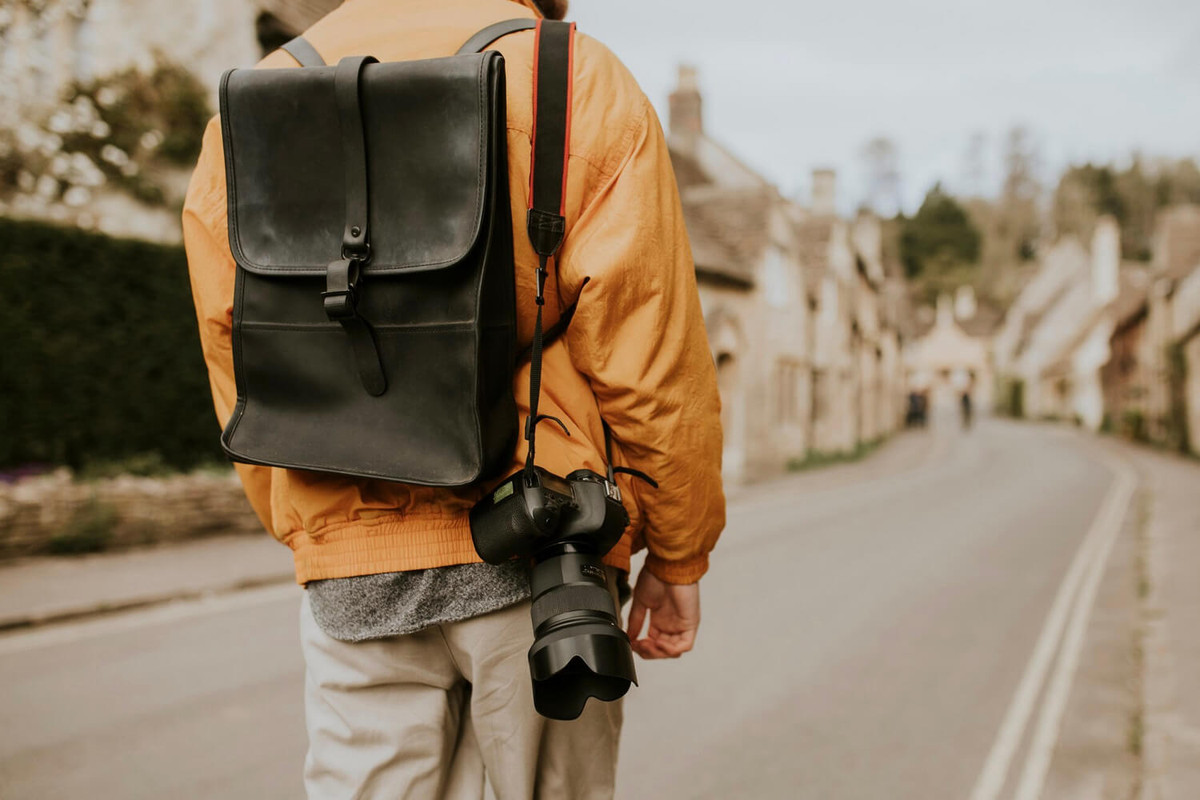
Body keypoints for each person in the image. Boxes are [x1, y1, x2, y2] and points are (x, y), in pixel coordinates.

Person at [182, 1, 725, 798]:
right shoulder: (572, 78)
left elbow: (236, 347)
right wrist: (678, 549)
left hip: (351, 563)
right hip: (541, 549)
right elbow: (650, 359)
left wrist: (315, 527)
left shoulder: (261, 96)